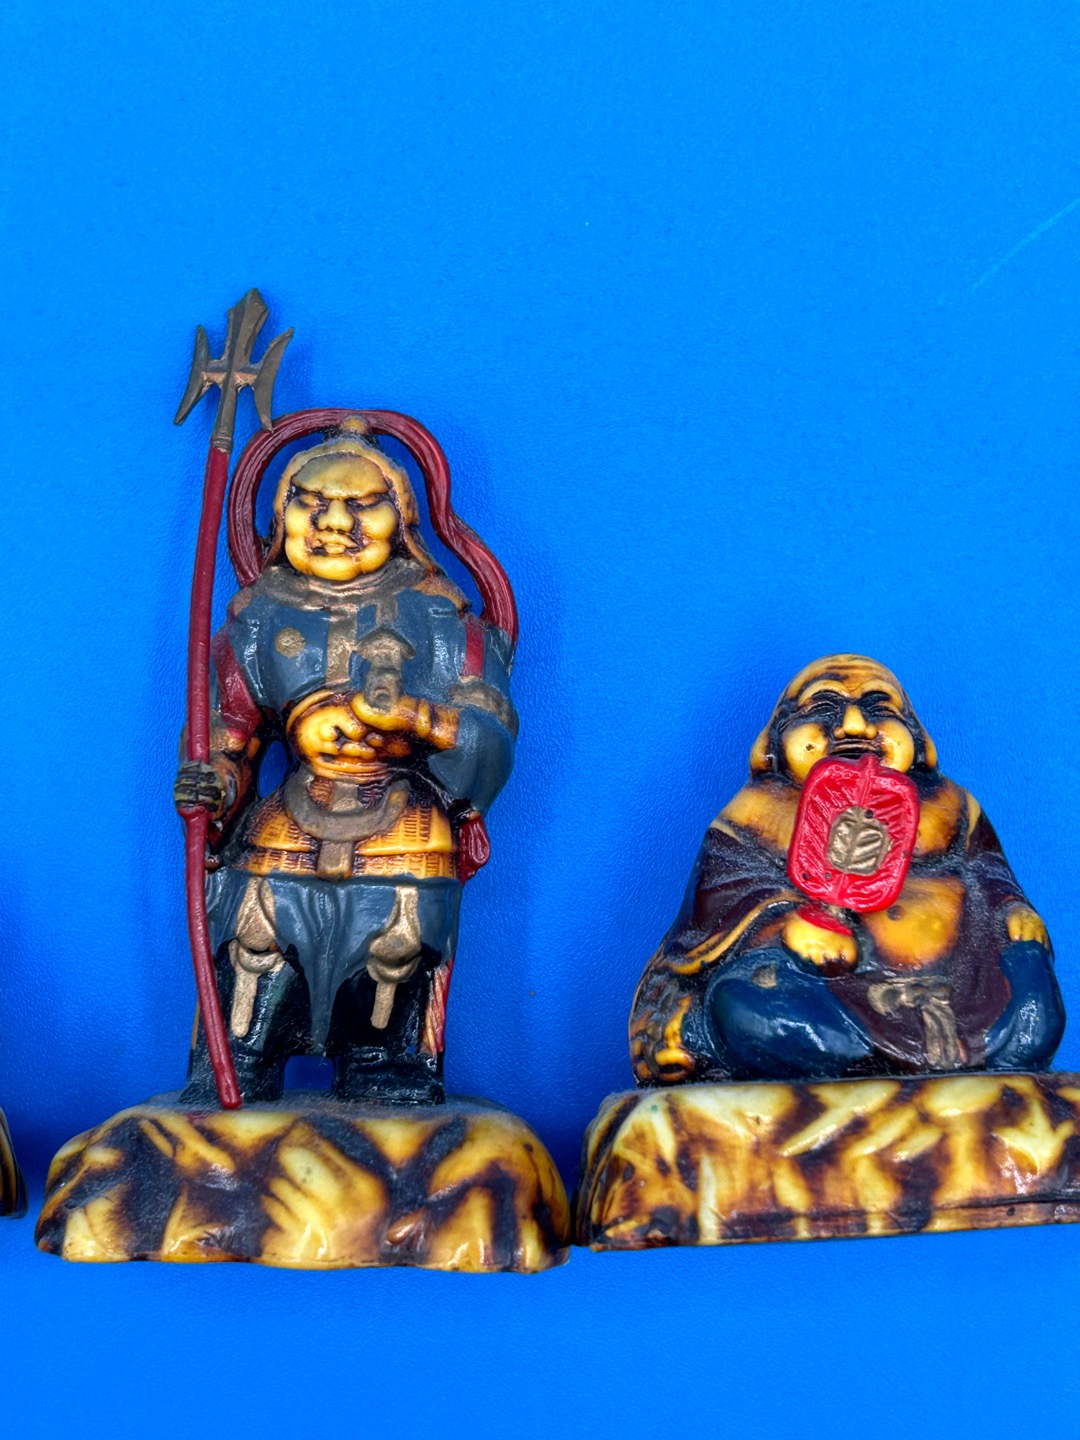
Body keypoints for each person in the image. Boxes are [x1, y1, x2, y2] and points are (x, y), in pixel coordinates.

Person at [174, 417, 517, 1103]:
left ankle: (387, 1075)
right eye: (311, 502)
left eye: (362, 505)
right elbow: (228, 732)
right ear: (281, 513)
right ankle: (242, 1067)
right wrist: (214, 782)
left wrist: (412, 717)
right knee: (253, 944)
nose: (334, 523)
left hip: (402, 822)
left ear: (403, 518)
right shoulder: (256, 620)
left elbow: (489, 735)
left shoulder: (442, 620)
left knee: (397, 953)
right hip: (291, 818)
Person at [630, 654, 1064, 1084]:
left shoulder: (953, 805)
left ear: (917, 738)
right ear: (775, 740)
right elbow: (721, 901)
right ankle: (853, 1054)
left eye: (878, 708)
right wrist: (788, 925)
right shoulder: (756, 812)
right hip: (827, 993)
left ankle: (959, 1051)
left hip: (962, 988)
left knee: (1034, 1011)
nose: (854, 725)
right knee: (740, 1001)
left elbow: (988, 870)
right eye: (824, 710)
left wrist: (1011, 908)